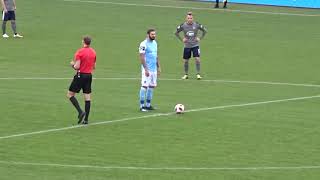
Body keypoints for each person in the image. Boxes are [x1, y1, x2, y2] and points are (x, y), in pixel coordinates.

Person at [67, 36, 96, 124]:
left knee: (70, 94)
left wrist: (72, 64)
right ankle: (86, 120)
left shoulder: (80, 52)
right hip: (89, 76)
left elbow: (77, 67)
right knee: (87, 97)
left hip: (80, 76)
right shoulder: (93, 52)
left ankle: (80, 111)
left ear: (83, 42)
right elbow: (94, 66)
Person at [175, 12, 207, 80]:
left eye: (191, 18)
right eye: (188, 18)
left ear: (193, 19)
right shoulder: (183, 26)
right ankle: (186, 74)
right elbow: (176, 32)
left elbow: (205, 31)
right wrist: (182, 39)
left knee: (197, 59)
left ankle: (198, 74)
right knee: (186, 61)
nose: (190, 19)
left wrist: (200, 38)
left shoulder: (197, 25)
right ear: (186, 19)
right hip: (187, 46)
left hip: (195, 45)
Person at [138, 28, 161, 112]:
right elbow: (142, 57)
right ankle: (141, 106)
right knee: (144, 87)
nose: (154, 36)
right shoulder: (143, 44)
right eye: (152, 34)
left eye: (154, 34)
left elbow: (156, 55)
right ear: (148, 35)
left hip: (154, 69)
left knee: (151, 87)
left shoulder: (155, 43)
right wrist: (146, 69)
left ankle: (148, 105)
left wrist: (159, 67)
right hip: (147, 69)